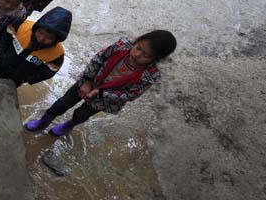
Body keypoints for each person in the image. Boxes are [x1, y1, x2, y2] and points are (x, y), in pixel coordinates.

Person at [24, 30, 177, 136]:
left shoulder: (149, 75)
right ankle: (42, 123)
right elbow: (98, 59)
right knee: (61, 104)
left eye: (145, 55)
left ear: (155, 60)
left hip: (104, 99)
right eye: (138, 48)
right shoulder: (121, 46)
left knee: (81, 115)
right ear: (136, 42)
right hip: (87, 82)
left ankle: (68, 126)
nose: (137, 55)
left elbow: (129, 95)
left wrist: (101, 93)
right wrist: (87, 82)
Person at [0, 6, 72, 86]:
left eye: (49, 37)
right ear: (37, 27)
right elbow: (4, 37)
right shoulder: (22, 26)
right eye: (40, 32)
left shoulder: (57, 54)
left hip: (15, 79)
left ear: (57, 39)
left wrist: (29, 79)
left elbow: (49, 71)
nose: (41, 39)